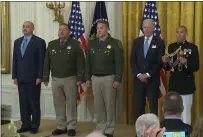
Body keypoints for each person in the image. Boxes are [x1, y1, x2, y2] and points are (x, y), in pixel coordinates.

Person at [43, 23, 85, 136]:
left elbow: (80, 62)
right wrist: (45, 77)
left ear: (69, 32)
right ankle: (61, 126)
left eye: (64, 30)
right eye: (60, 29)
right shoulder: (52, 44)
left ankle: (71, 127)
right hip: (55, 79)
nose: (61, 31)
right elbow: (47, 62)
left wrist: (80, 77)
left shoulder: (76, 44)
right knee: (58, 103)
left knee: (71, 103)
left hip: (70, 78)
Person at [85, 20, 124, 137]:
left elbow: (119, 63)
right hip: (95, 78)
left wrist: (117, 79)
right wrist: (87, 77)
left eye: (101, 28)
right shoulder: (92, 43)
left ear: (107, 29)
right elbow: (88, 62)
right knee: (98, 105)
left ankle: (109, 129)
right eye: (97, 28)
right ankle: (100, 127)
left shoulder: (115, 43)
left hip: (109, 78)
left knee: (109, 104)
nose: (99, 30)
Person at [12, 21, 46, 134]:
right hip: (20, 78)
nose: (25, 28)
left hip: (33, 79)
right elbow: (15, 60)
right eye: (23, 26)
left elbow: (42, 61)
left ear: (33, 28)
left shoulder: (39, 42)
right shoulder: (17, 42)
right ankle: (25, 124)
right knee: (23, 103)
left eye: (27, 27)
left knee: (33, 103)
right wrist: (14, 76)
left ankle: (34, 125)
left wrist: (40, 77)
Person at [162, 25, 199, 125]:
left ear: (186, 34)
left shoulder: (192, 47)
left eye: (181, 32)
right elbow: (168, 68)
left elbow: (196, 67)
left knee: (185, 112)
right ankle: (173, 132)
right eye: (177, 32)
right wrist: (165, 62)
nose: (179, 34)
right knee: (171, 112)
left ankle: (185, 133)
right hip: (174, 84)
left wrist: (186, 63)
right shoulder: (171, 47)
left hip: (186, 85)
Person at [130, 19, 165, 121]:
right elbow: (133, 61)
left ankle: (153, 132)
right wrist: (139, 74)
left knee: (153, 108)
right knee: (139, 107)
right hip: (138, 80)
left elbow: (159, 62)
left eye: (149, 27)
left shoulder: (160, 42)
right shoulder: (137, 42)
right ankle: (139, 132)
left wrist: (148, 74)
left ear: (154, 28)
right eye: (144, 27)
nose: (146, 29)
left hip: (152, 80)